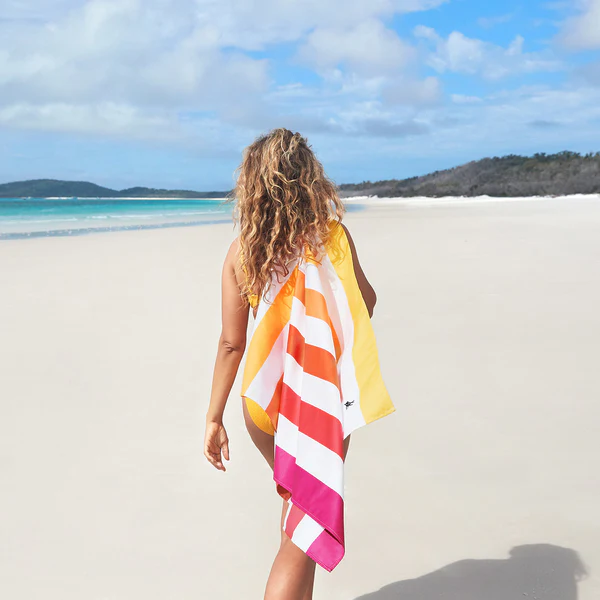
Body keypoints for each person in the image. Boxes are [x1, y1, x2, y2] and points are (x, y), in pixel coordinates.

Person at [204, 128, 394, 600]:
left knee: (299, 513)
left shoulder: (241, 253)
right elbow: (366, 303)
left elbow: (231, 343)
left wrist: (214, 417)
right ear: (309, 179)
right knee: (302, 525)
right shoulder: (333, 238)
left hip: (262, 400)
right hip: (317, 396)